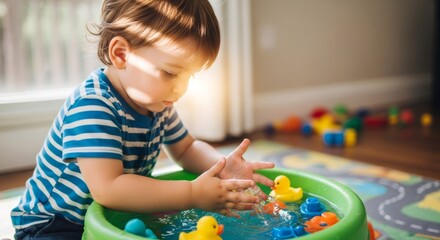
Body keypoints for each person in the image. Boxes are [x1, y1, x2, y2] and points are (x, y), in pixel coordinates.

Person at [11, 0, 275, 239]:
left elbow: (186, 148)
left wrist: (222, 166)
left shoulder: (157, 101)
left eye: (189, 76)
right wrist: (193, 194)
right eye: (170, 73)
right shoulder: (93, 106)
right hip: (56, 224)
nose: (180, 89)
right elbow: (109, 189)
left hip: (112, 213)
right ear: (121, 54)